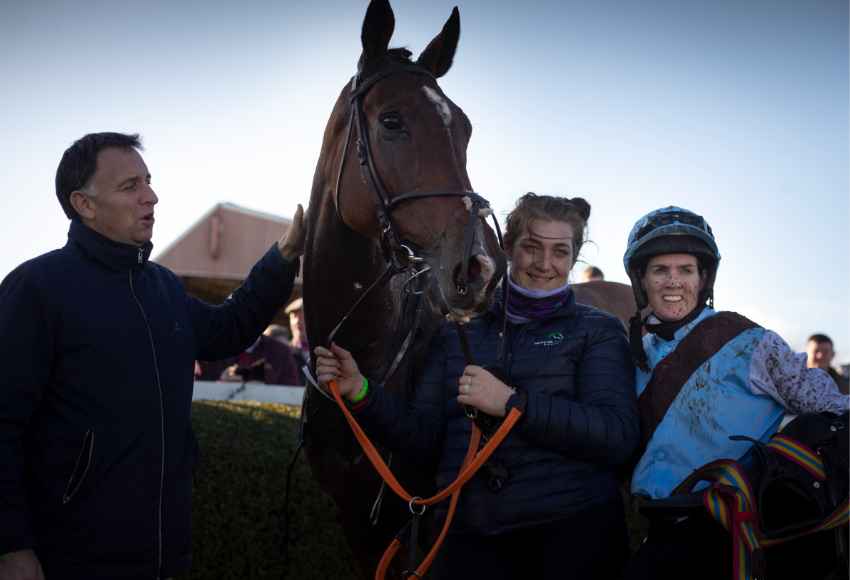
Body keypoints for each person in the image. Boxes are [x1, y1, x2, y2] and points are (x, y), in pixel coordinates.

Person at [0, 132, 305, 580]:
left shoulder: (162, 286)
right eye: (131, 187)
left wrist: (284, 256)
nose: (152, 197)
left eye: (149, 181)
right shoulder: (36, 290)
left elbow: (228, 329)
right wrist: (11, 547)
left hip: (167, 554)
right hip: (68, 558)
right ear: (83, 204)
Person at [316, 193, 639, 580]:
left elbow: (616, 435)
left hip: (571, 537)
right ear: (507, 247)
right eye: (531, 247)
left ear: (574, 257)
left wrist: (512, 404)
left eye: (560, 252)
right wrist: (361, 392)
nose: (544, 264)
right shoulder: (458, 330)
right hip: (469, 539)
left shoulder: (597, 330)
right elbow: (424, 439)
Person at [620, 206, 849, 580]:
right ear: (641, 280)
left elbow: (834, 408)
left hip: (733, 532)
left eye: (686, 270)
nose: (673, 282)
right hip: (657, 527)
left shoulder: (751, 343)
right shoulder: (633, 356)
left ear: (703, 278)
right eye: (660, 270)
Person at [218, 331, 301, 385]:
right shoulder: (215, 347)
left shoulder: (281, 351)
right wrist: (222, 384)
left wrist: (264, 388)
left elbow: (292, 391)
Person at [285, 297, 310, 370]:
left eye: (302, 316)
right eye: (294, 317)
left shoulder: (324, 352)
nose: (297, 321)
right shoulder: (284, 353)